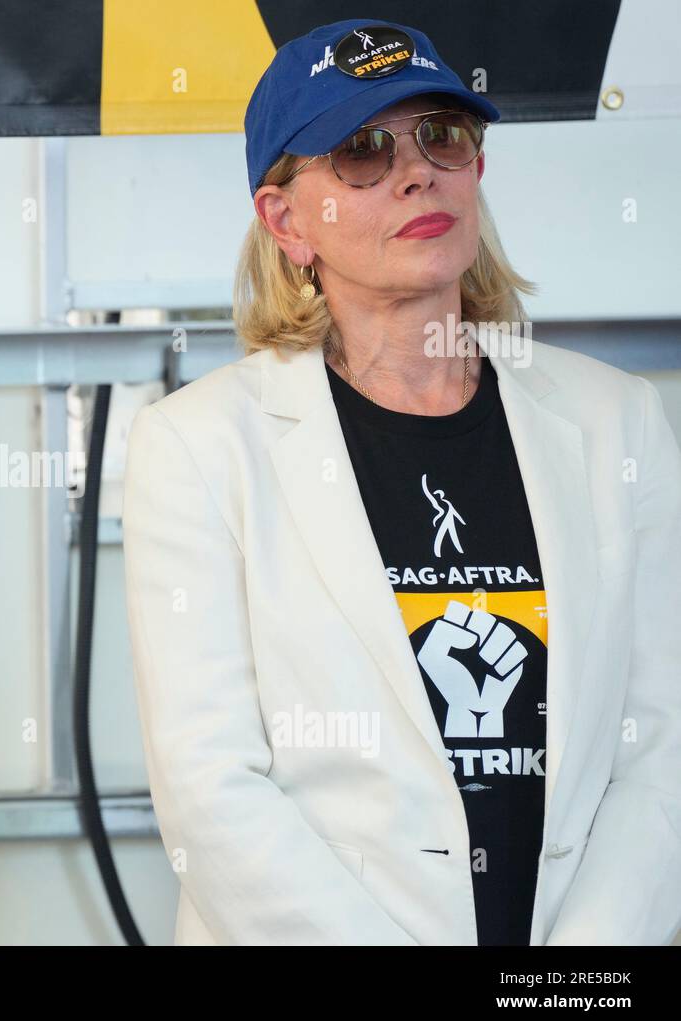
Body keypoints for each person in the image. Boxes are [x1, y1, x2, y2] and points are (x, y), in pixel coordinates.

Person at [122, 19, 681, 945]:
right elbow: (210, 792)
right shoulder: (198, 446)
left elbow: (661, 751)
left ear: (476, 169)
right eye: (362, 152)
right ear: (286, 222)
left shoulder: (617, 422)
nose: (417, 170)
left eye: (443, 136)